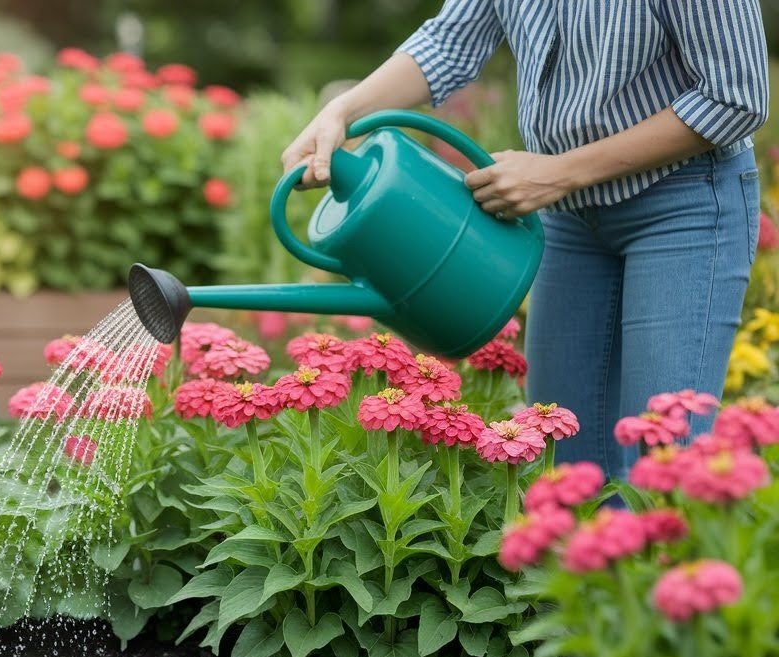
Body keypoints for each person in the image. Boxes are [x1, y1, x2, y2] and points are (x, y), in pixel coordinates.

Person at [282, 1, 769, 479]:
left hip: (683, 204)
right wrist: (340, 112)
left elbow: (736, 97)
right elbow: (451, 40)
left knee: (666, 459)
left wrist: (559, 173)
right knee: (563, 461)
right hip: (568, 214)